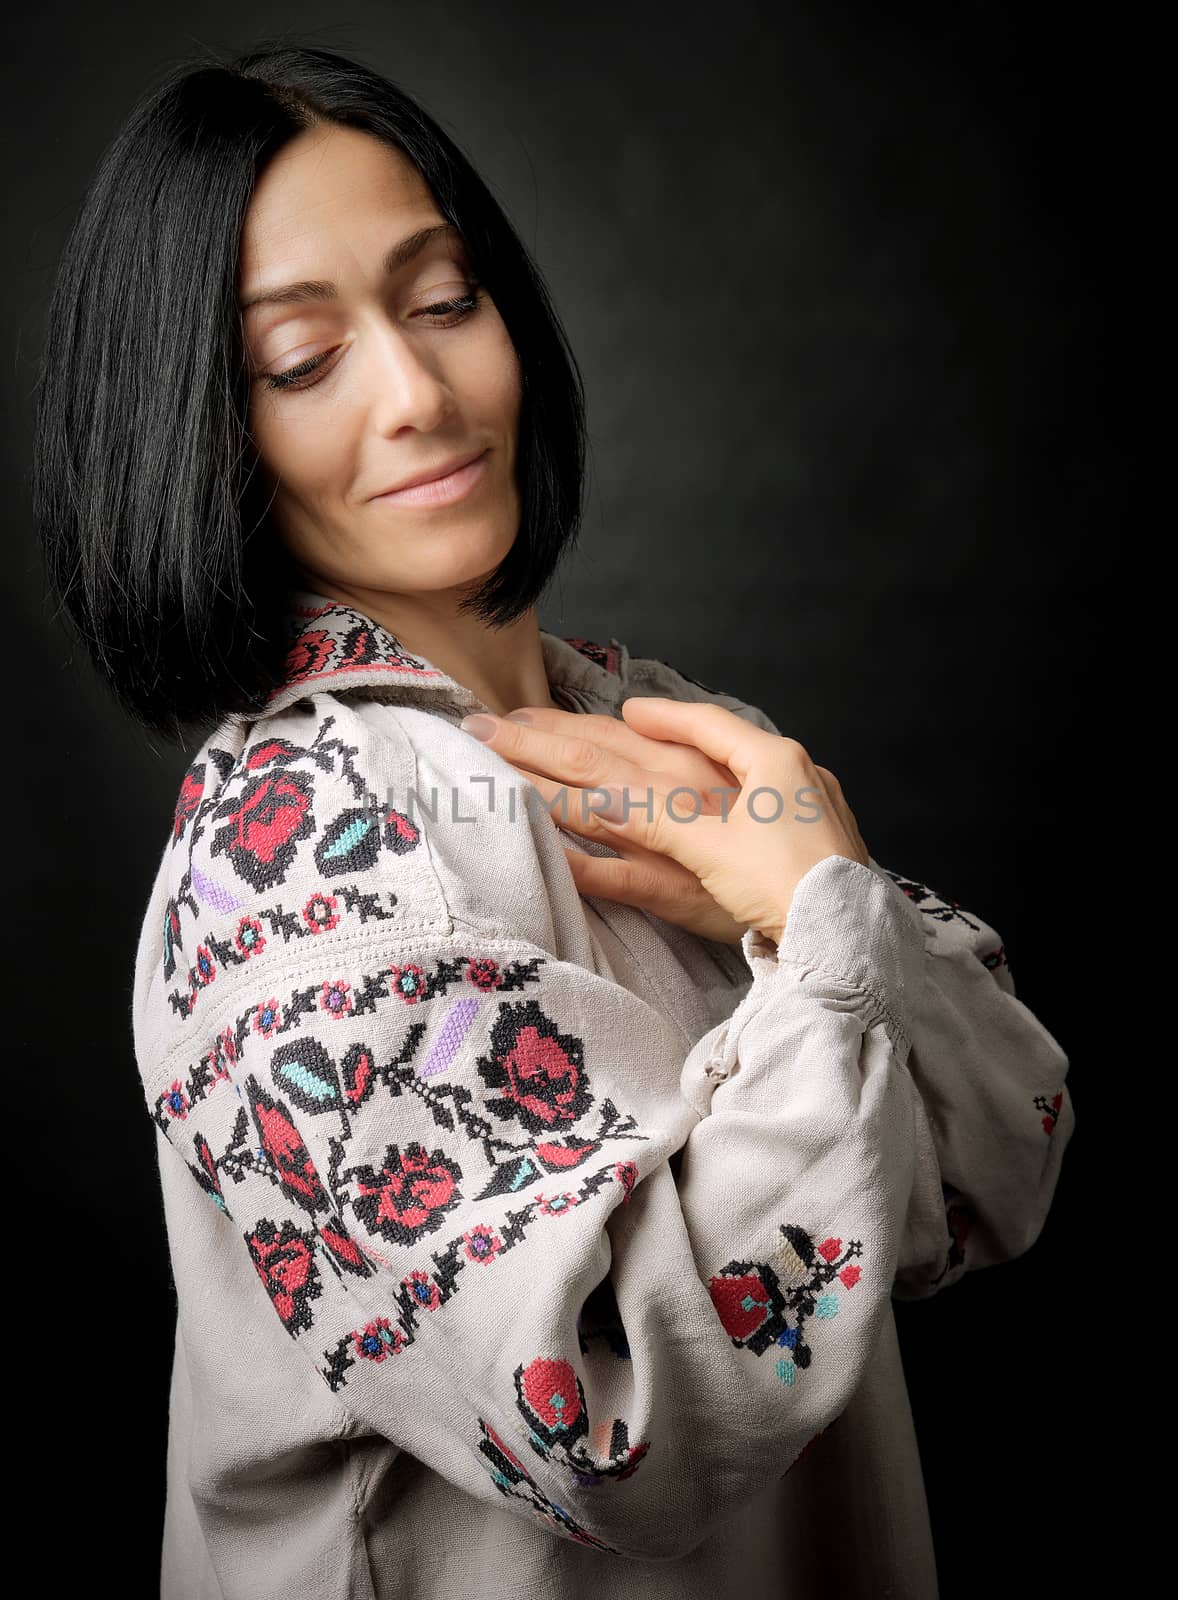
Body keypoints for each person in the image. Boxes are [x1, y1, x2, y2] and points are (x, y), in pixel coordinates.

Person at [30, 41, 1075, 1600]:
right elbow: (602, 1420)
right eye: (302, 361)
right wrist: (835, 944)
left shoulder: (639, 720)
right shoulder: (299, 855)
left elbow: (1002, 1163)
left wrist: (818, 901)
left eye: (444, 300)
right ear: (194, 428)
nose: (421, 395)